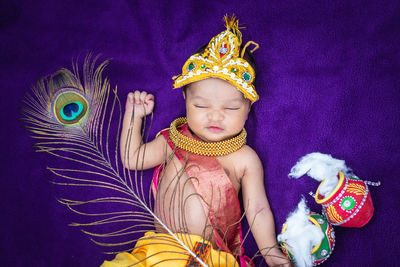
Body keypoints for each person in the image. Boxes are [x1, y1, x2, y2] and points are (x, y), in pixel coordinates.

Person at [102, 15, 290, 267]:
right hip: (161, 253)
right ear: (185, 100)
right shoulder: (173, 141)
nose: (215, 115)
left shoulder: (244, 158)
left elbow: (257, 209)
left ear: (248, 109)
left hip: (207, 259)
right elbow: (132, 158)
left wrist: (270, 251)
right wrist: (133, 117)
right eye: (200, 105)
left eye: (232, 108)